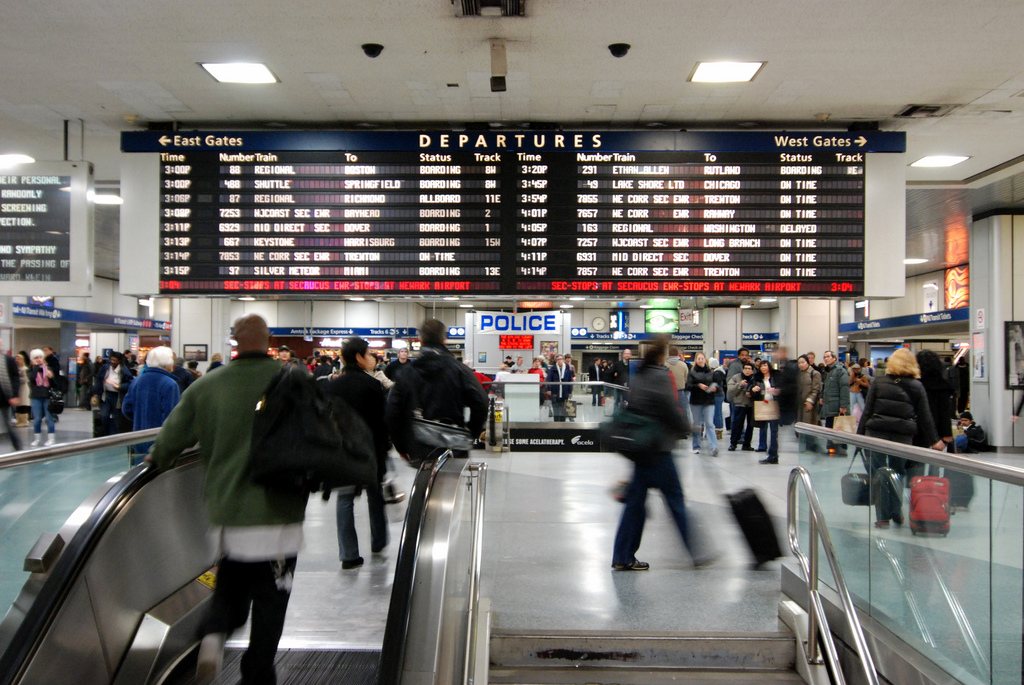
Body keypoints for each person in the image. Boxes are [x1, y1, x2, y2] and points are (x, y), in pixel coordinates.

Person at [150, 314, 307, 684]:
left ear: (234, 340)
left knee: (231, 585)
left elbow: (168, 443)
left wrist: (157, 459)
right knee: (271, 602)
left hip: (227, 512)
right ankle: (257, 674)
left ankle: (213, 634)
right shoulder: (293, 382)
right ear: (269, 340)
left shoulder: (207, 386)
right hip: (279, 515)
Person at [611, 336, 712, 571]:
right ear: (661, 354)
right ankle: (696, 552)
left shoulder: (641, 375)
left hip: (641, 449)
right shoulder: (659, 375)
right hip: (658, 450)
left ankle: (622, 555)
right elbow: (669, 409)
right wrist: (686, 428)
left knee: (634, 505)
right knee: (675, 501)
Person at [857, 348, 944, 528]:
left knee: (879, 475)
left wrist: (859, 437)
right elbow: (924, 416)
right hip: (902, 436)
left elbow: (867, 412)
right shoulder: (916, 386)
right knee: (898, 474)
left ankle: (882, 517)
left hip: (876, 435)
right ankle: (897, 512)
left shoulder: (879, 383)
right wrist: (935, 440)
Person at [325, 337, 391, 570]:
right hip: (369, 451)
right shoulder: (371, 386)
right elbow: (381, 423)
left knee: (344, 500)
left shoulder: (333, 386)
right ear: (358, 357)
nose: (372, 357)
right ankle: (378, 541)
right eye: (369, 353)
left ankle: (349, 554)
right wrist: (385, 452)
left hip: (343, 452)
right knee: (375, 496)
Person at [385, 319, 488, 464]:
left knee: (423, 480)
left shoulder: (406, 373)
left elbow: (392, 411)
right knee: (450, 482)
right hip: (453, 444)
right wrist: (469, 434)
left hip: (417, 445)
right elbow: (481, 403)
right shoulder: (459, 370)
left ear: (421, 340)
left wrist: (401, 446)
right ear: (444, 339)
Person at [121, 346, 181, 464]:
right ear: (167, 363)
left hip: (139, 437)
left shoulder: (137, 381)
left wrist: (140, 419)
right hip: (160, 442)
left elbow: (126, 408)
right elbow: (171, 417)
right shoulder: (170, 384)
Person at [916, 350, 954, 461]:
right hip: (937, 430)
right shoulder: (942, 385)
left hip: (918, 428)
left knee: (916, 462)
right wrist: (947, 434)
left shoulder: (916, 384)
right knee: (935, 463)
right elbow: (945, 411)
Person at [92, 352, 134, 437]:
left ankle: (114, 435)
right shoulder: (105, 368)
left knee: (116, 418)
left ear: (119, 361)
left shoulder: (124, 370)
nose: (112, 361)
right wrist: (96, 393)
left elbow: (130, 383)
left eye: (114, 360)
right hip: (106, 396)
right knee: (104, 416)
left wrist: (120, 386)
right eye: (111, 359)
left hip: (117, 397)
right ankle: (105, 434)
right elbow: (99, 380)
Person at [749, 360, 782, 464]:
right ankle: (762, 446)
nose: (763, 368)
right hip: (762, 404)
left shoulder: (776, 377)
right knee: (762, 427)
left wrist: (775, 390)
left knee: (774, 430)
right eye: (761, 366)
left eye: (765, 366)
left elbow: (782, 389)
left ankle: (773, 454)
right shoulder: (757, 378)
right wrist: (753, 389)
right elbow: (750, 390)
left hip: (774, 404)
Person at [685, 352, 719, 456]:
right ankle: (696, 446)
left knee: (709, 423)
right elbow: (688, 386)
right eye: (698, 359)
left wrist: (714, 388)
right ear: (696, 360)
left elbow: (718, 385)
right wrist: (698, 386)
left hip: (709, 401)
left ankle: (714, 446)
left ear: (705, 360)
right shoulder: (692, 373)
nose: (700, 360)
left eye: (702, 358)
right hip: (696, 401)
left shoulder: (711, 373)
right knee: (697, 424)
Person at [819, 350, 850, 453]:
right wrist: (822, 396)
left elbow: (844, 388)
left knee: (838, 427)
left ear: (834, 358)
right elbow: (826, 387)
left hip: (836, 406)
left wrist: (843, 405)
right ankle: (831, 446)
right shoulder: (829, 371)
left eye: (828, 356)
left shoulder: (840, 371)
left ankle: (840, 448)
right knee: (829, 426)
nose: (826, 358)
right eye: (824, 357)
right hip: (829, 405)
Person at [28, 349, 59, 446]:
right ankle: (37, 438)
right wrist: (36, 367)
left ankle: (51, 438)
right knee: (37, 419)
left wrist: (51, 377)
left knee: (49, 418)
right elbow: (32, 379)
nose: (39, 359)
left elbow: (55, 384)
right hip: (36, 397)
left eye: (40, 357)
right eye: (36, 358)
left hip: (48, 397)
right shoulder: (31, 370)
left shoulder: (48, 368)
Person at [726, 361, 756, 451]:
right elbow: (731, 389)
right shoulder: (736, 377)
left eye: (749, 369)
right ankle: (733, 443)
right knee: (737, 424)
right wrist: (740, 385)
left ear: (752, 371)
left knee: (750, 425)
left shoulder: (755, 379)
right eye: (746, 368)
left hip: (751, 404)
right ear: (743, 369)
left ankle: (747, 444)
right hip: (739, 404)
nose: (747, 371)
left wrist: (753, 392)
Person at [795, 355, 822, 451]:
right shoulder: (800, 374)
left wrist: (810, 400)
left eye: (803, 362)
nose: (801, 365)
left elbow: (816, 389)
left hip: (809, 404)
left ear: (808, 362)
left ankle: (812, 446)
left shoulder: (814, 373)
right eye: (799, 363)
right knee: (801, 424)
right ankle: (804, 445)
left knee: (809, 423)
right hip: (800, 404)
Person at [0, 344, 23, 451]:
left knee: (7, 422)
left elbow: (15, 378)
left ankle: (16, 444)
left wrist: (15, 395)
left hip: (5, 397)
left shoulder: (9, 360)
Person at [546, 354, 575, 422]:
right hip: (555, 392)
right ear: (556, 361)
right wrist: (548, 389)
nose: (560, 361)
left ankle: (562, 425)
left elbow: (569, 380)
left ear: (563, 360)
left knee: (563, 410)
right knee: (556, 410)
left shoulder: (567, 368)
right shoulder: (553, 369)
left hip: (564, 392)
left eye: (561, 359)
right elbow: (549, 379)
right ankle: (556, 425)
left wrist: (570, 391)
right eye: (558, 359)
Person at [13, 352, 31, 428]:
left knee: (23, 405)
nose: (17, 360)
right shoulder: (15, 369)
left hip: (23, 389)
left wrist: (17, 378)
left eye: (19, 359)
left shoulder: (25, 369)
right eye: (16, 359)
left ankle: (24, 421)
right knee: (18, 406)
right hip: (17, 389)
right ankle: (18, 420)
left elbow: (25, 379)